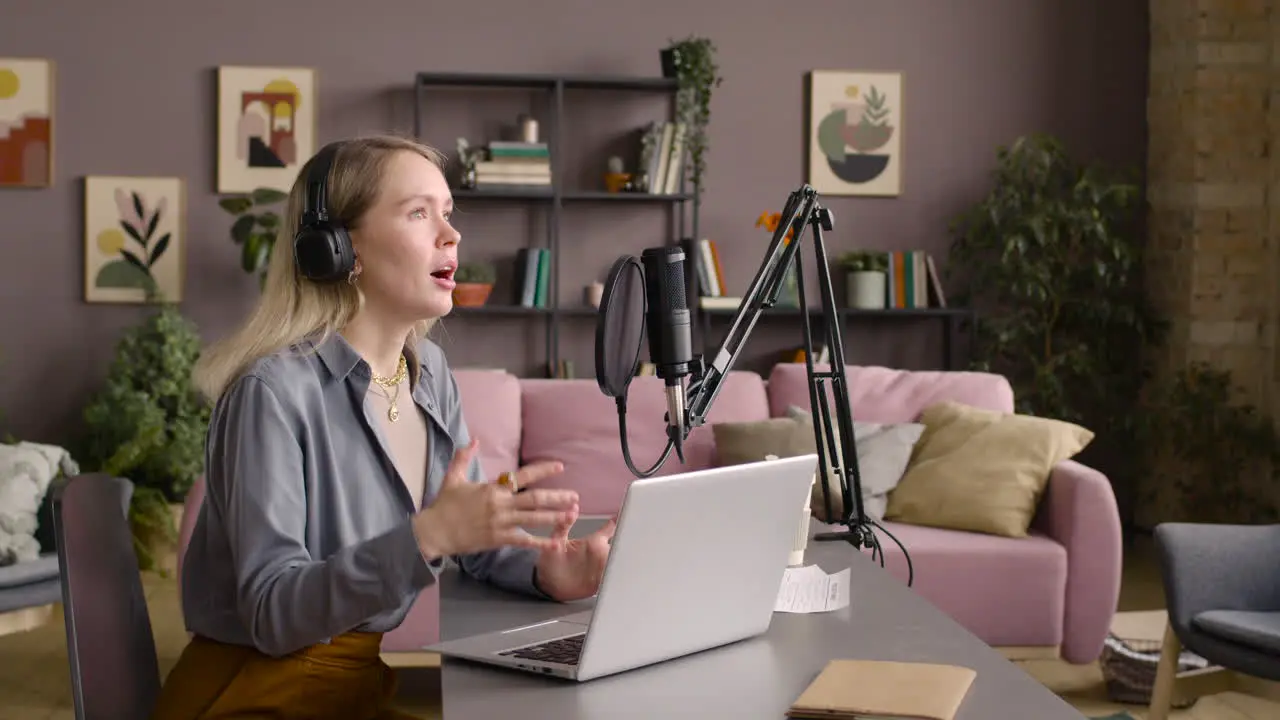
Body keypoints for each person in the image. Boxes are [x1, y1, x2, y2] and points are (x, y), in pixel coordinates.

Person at [152, 134, 616, 720]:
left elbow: (471, 540)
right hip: (250, 694)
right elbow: (272, 613)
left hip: (352, 689)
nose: (451, 236)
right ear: (340, 248)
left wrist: (549, 571)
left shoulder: (430, 375)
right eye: (419, 213)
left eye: (447, 213)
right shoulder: (271, 394)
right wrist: (426, 538)